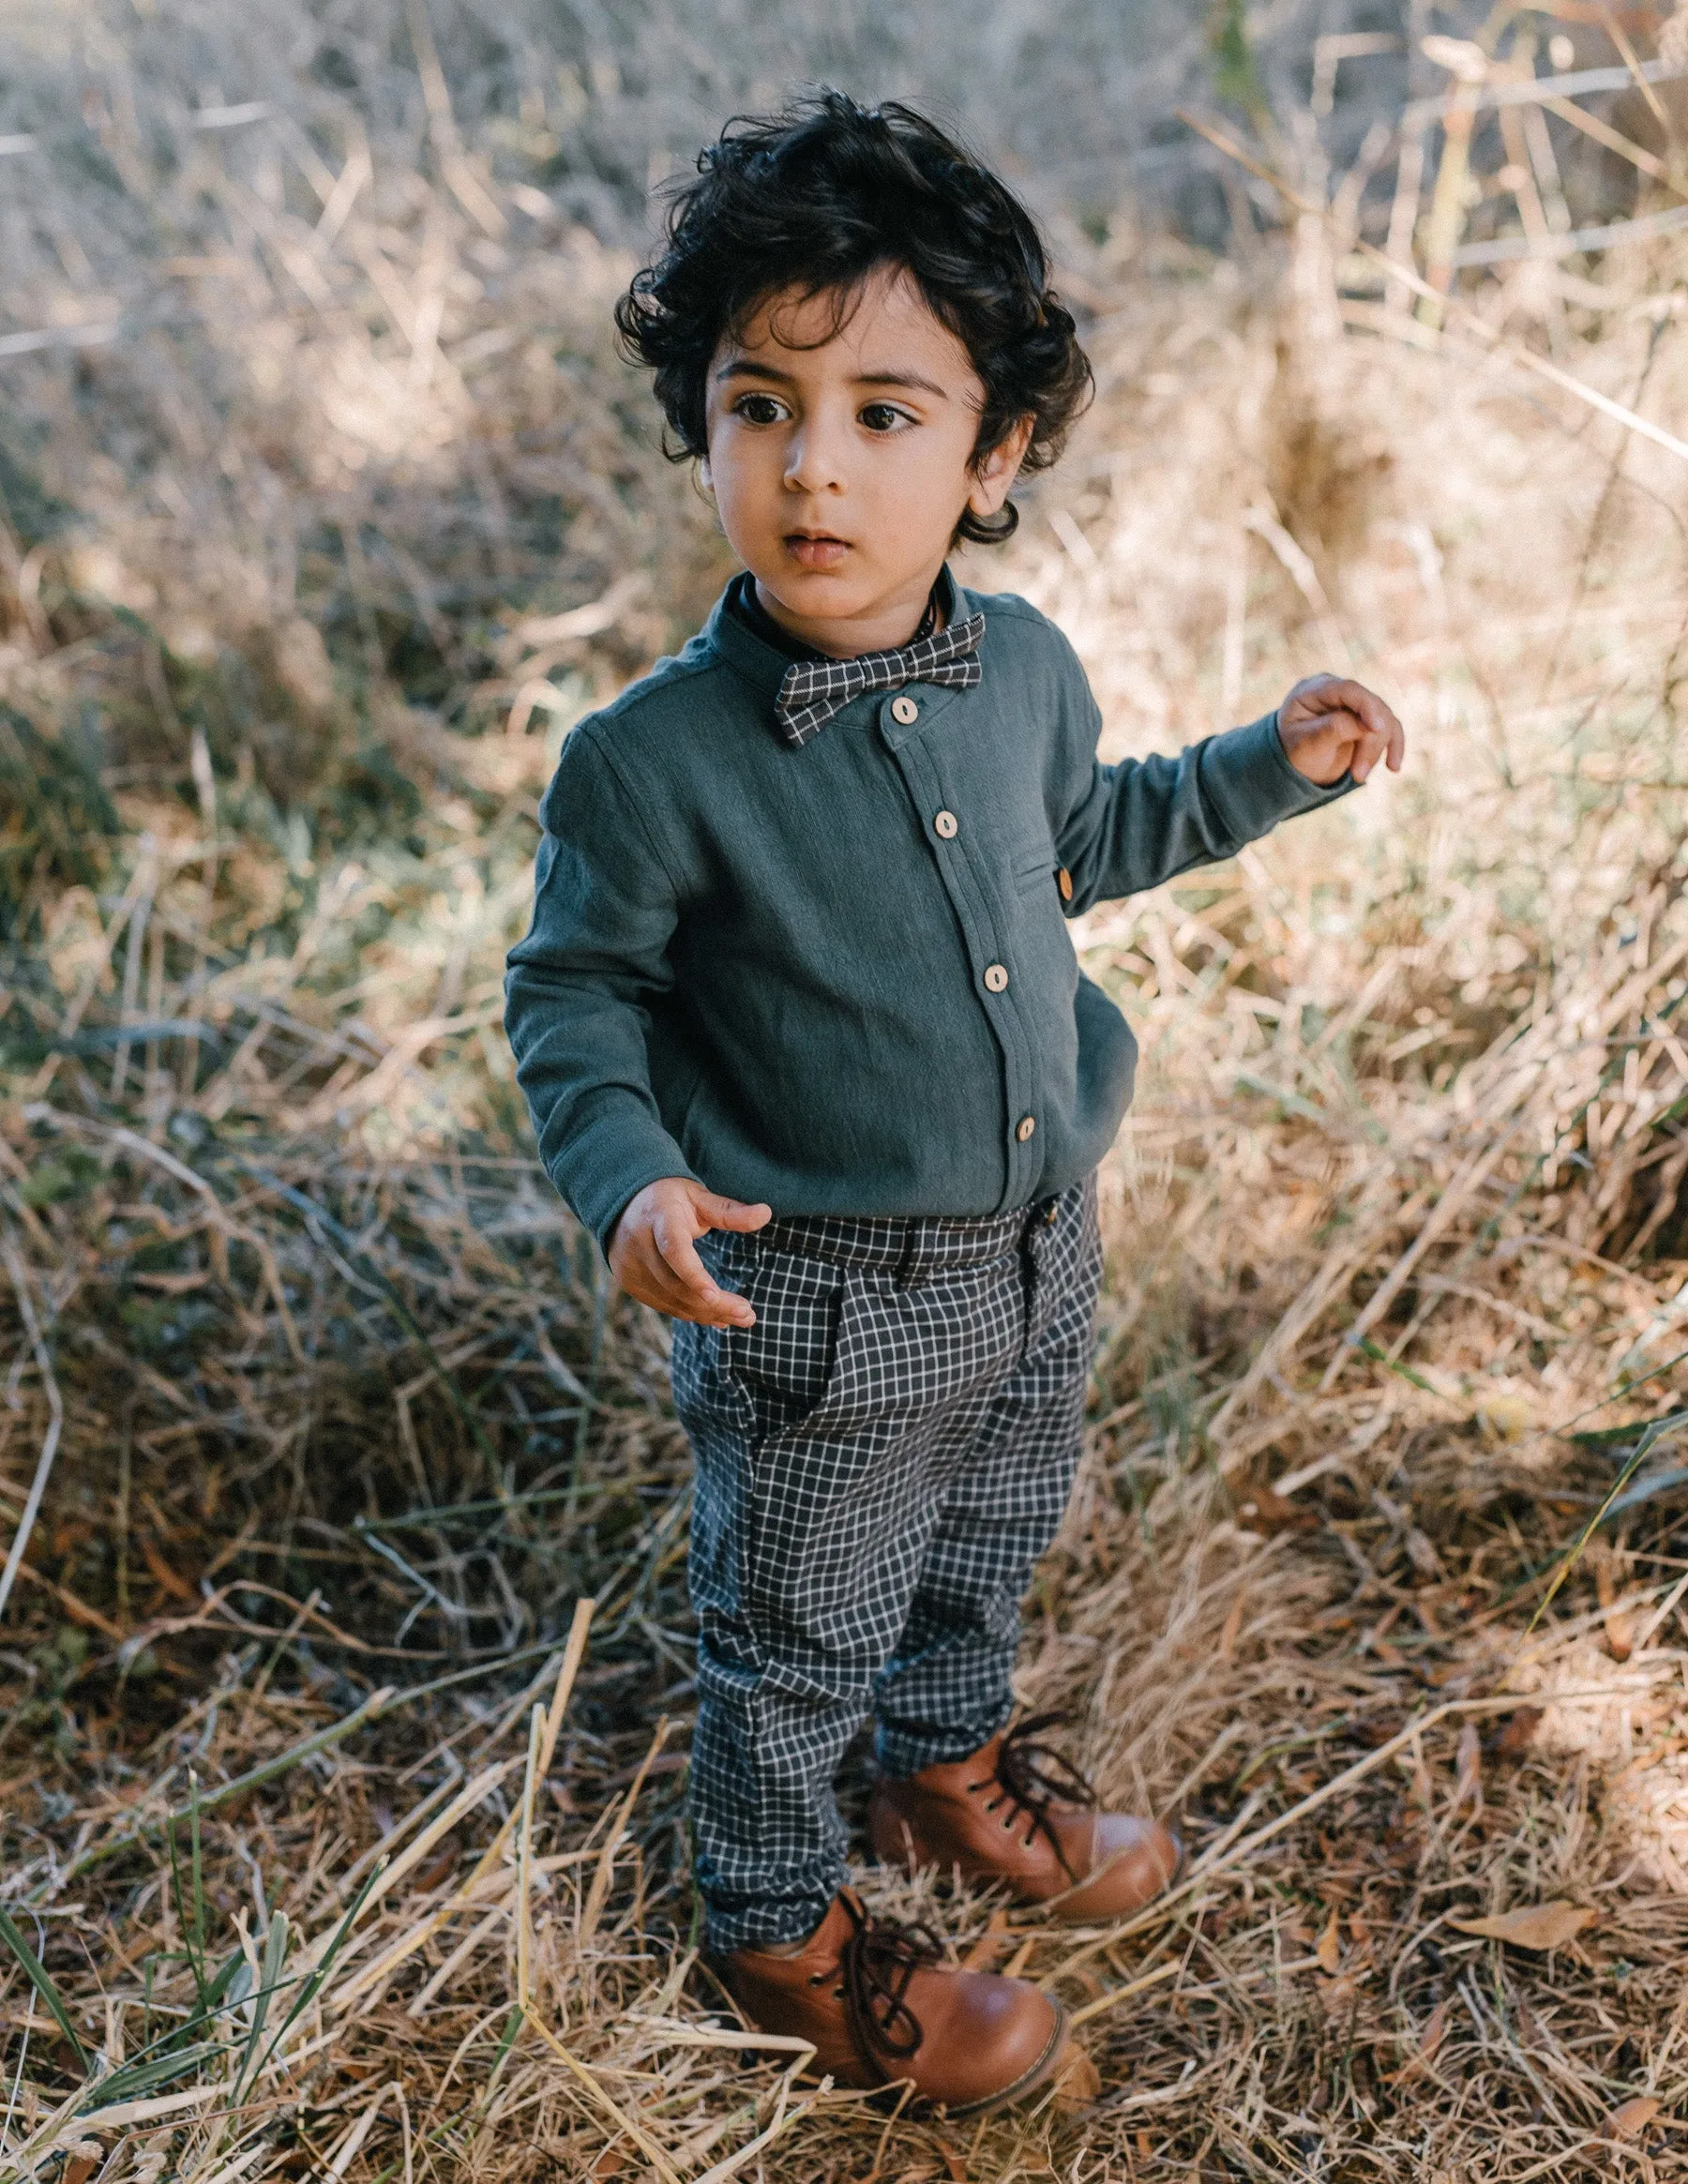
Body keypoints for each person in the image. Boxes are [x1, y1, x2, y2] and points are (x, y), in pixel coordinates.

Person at [505, 92, 1404, 2115]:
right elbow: (576, 992)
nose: (817, 464)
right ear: (706, 427)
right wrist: (629, 1179)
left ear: (993, 451)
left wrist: (1267, 765)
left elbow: (1091, 832)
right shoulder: (646, 764)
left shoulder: (1026, 672)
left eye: (888, 414)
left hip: (1032, 1244)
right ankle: (770, 1917)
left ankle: (942, 1769)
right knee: (795, 1623)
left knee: (987, 1535)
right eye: (762, 403)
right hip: (812, 1294)